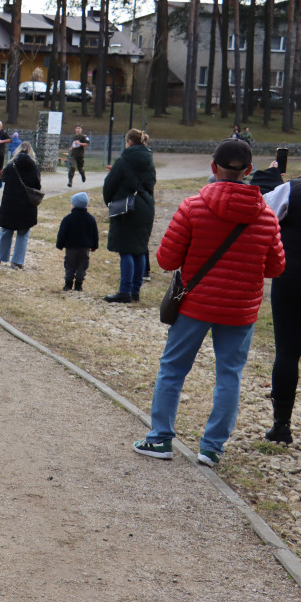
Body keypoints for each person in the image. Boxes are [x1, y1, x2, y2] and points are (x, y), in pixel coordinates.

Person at [133, 139, 284, 466]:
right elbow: (275, 267)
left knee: (173, 369)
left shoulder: (192, 207)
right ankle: (212, 448)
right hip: (240, 310)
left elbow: (166, 259)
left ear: (213, 166)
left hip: (194, 305)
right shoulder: (267, 217)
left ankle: (159, 439)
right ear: (247, 171)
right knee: (229, 375)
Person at [262, 164, 300, 444]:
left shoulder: (291, 190)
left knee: (287, 352)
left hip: (292, 278)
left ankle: (281, 425)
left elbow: (262, 214)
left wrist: (271, 180)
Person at [102, 129, 156, 303]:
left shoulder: (123, 161)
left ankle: (124, 291)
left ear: (129, 143)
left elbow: (109, 186)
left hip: (127, 207)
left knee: (125, 249)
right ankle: (135, 291)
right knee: (139, 249)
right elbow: (151, 183)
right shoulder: (150, 161)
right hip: (146, 206)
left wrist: (110, 202)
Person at [0, 143, 41, 269]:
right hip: (26, 207)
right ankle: (17, 261)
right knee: (23, 234)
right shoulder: (34, 168)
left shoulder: (10, 167)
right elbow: (37, 186)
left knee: (5, 232)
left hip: (10, 205)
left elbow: (3, 179)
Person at [56, 192, 99, 292]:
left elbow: (62, 233)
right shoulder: (91, 219)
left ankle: (68, 284)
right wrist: (94, 246)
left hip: (71, 247)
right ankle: (78, 285)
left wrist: (60, 245)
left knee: (69, 265)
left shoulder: (68, 219)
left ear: (74, 205)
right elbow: (94, 234)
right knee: (82, 265)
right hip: (85, 248)